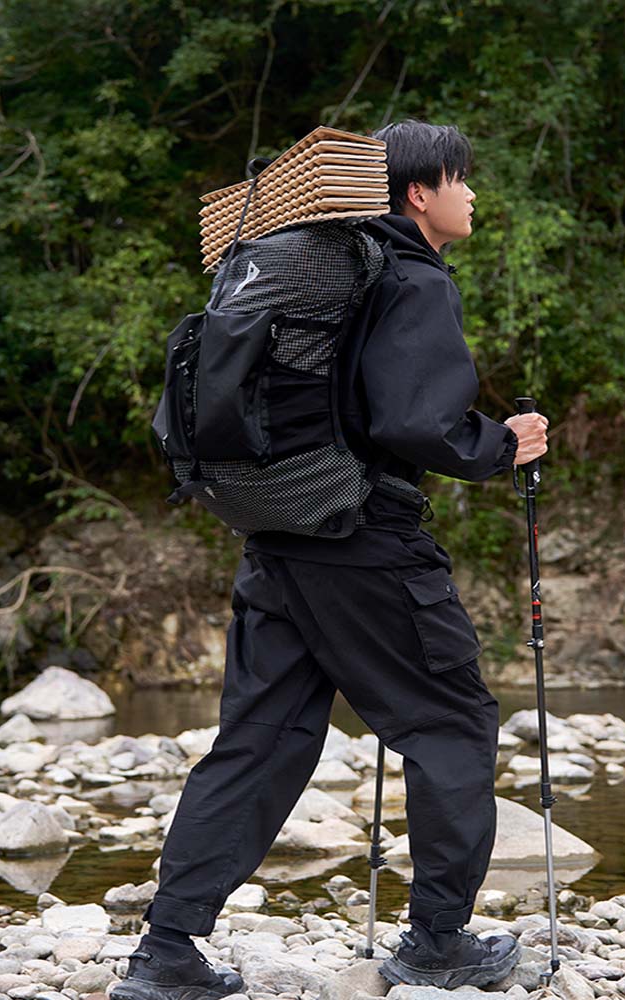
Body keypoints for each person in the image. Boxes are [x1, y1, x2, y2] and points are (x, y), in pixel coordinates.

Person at [116, 120, 550, 1000]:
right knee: (451, 722)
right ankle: (436, 940)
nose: (473, 194)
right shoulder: (412, 277)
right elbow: (409, 422)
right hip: (364, 541)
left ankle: (167, 953)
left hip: (278, 536)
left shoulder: (332, 269)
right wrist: (501, 445)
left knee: (259, 740)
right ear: (417, 194)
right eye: (461, 179)